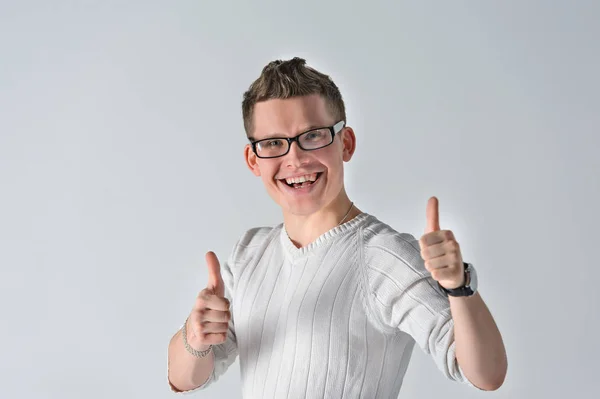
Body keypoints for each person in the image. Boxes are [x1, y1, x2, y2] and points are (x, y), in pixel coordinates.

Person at [167, 57, 507, 398]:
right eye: (273, 143)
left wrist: (459, 287)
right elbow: (185, 380)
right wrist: (195, 336)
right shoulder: (249, 252)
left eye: (312, 136)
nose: (295, 159)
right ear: (253, 160)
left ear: (345, 143)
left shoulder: (385, 256)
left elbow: (485, 373)